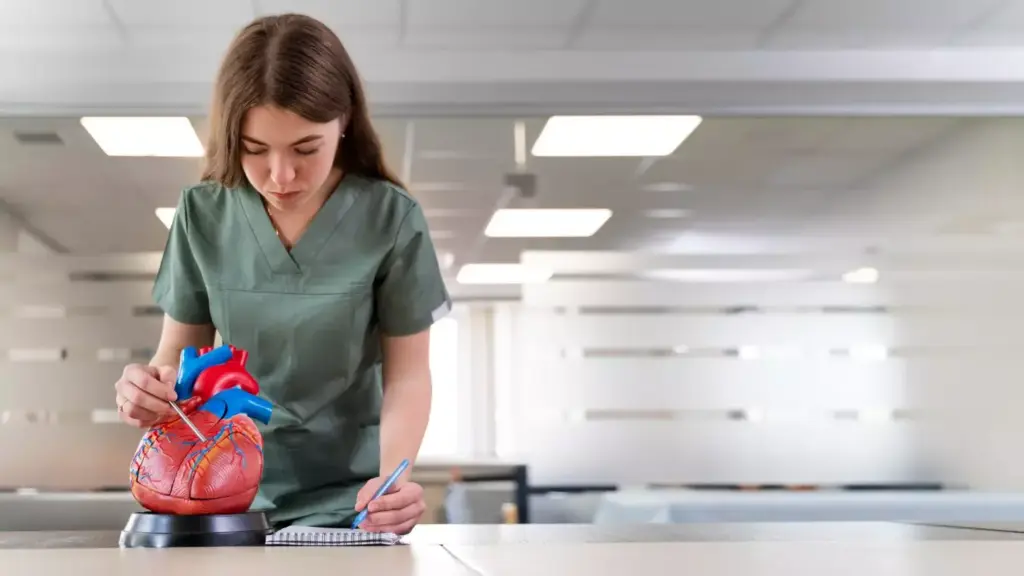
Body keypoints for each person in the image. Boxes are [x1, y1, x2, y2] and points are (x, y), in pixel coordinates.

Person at [112, 13, 451, 535]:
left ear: (344, 122)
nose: (281, 175)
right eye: (254, 150)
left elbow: (408, 375)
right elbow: (176, 360)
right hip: (223, 499)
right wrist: (148, 390)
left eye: (305, 149)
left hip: (350, 503)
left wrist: (392, 483)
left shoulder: (390, 220)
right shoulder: (203, 215)